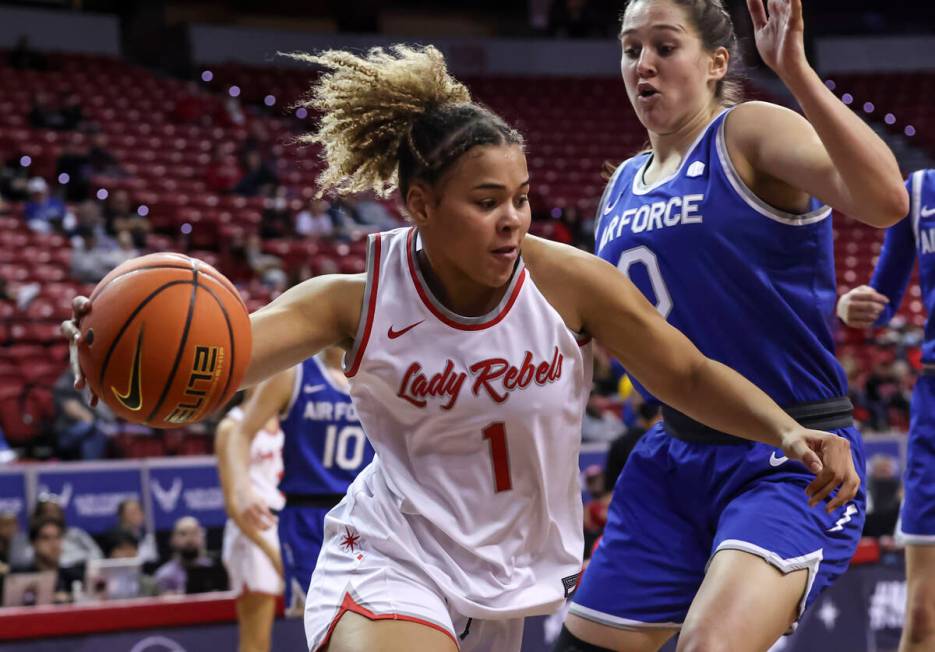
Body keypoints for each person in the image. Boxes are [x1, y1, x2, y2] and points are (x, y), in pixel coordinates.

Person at [67, 45, 859, 652]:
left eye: (519, 198)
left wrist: (785, 431)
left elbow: (683, 371)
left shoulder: (568, 284)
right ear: (420, 204)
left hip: (503, 584)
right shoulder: (352, 298)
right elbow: (213, 370)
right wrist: (107, 356)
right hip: (389, 555)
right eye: (486, 203)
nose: (512, 219)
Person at [555, 0, 908, 650]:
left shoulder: (744, 132)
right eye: (631, 49)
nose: (643, 64)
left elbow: (886, 202)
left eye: (664, 46)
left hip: (793, 451)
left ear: (716, 62)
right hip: (671, 454)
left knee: (708, 646)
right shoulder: (622, 185)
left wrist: (796, 73)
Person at [836, 168, 935, 652]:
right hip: (933, 410)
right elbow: (881, 301)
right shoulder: (919, 192)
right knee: (921, 621)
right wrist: (850, 305)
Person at [219, 346, 375, 619]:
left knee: (371, 621)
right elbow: (240, 433)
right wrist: (242, 486)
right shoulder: (295, 373)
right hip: (306, 516)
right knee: (317, 622)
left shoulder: (377, 373)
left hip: (364, 514)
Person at [217, 391, 286, 652]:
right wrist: (270, 551)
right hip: (252, 530)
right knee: (256, 640)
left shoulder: (284, 417)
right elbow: (233, 504)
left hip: (285, 521)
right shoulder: (230, 426)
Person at [153, 516, 227, 595]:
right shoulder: (165, 575)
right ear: (173, 540)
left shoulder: (214, 571)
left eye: (194, 533)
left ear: (203, 538)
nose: (189, 539)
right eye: (183, 534)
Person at [108, 498, 158, 563]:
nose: (139, 514)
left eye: (139, 510)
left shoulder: (145, 533)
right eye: (133, 512)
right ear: (122, 515)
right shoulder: (116, 535)